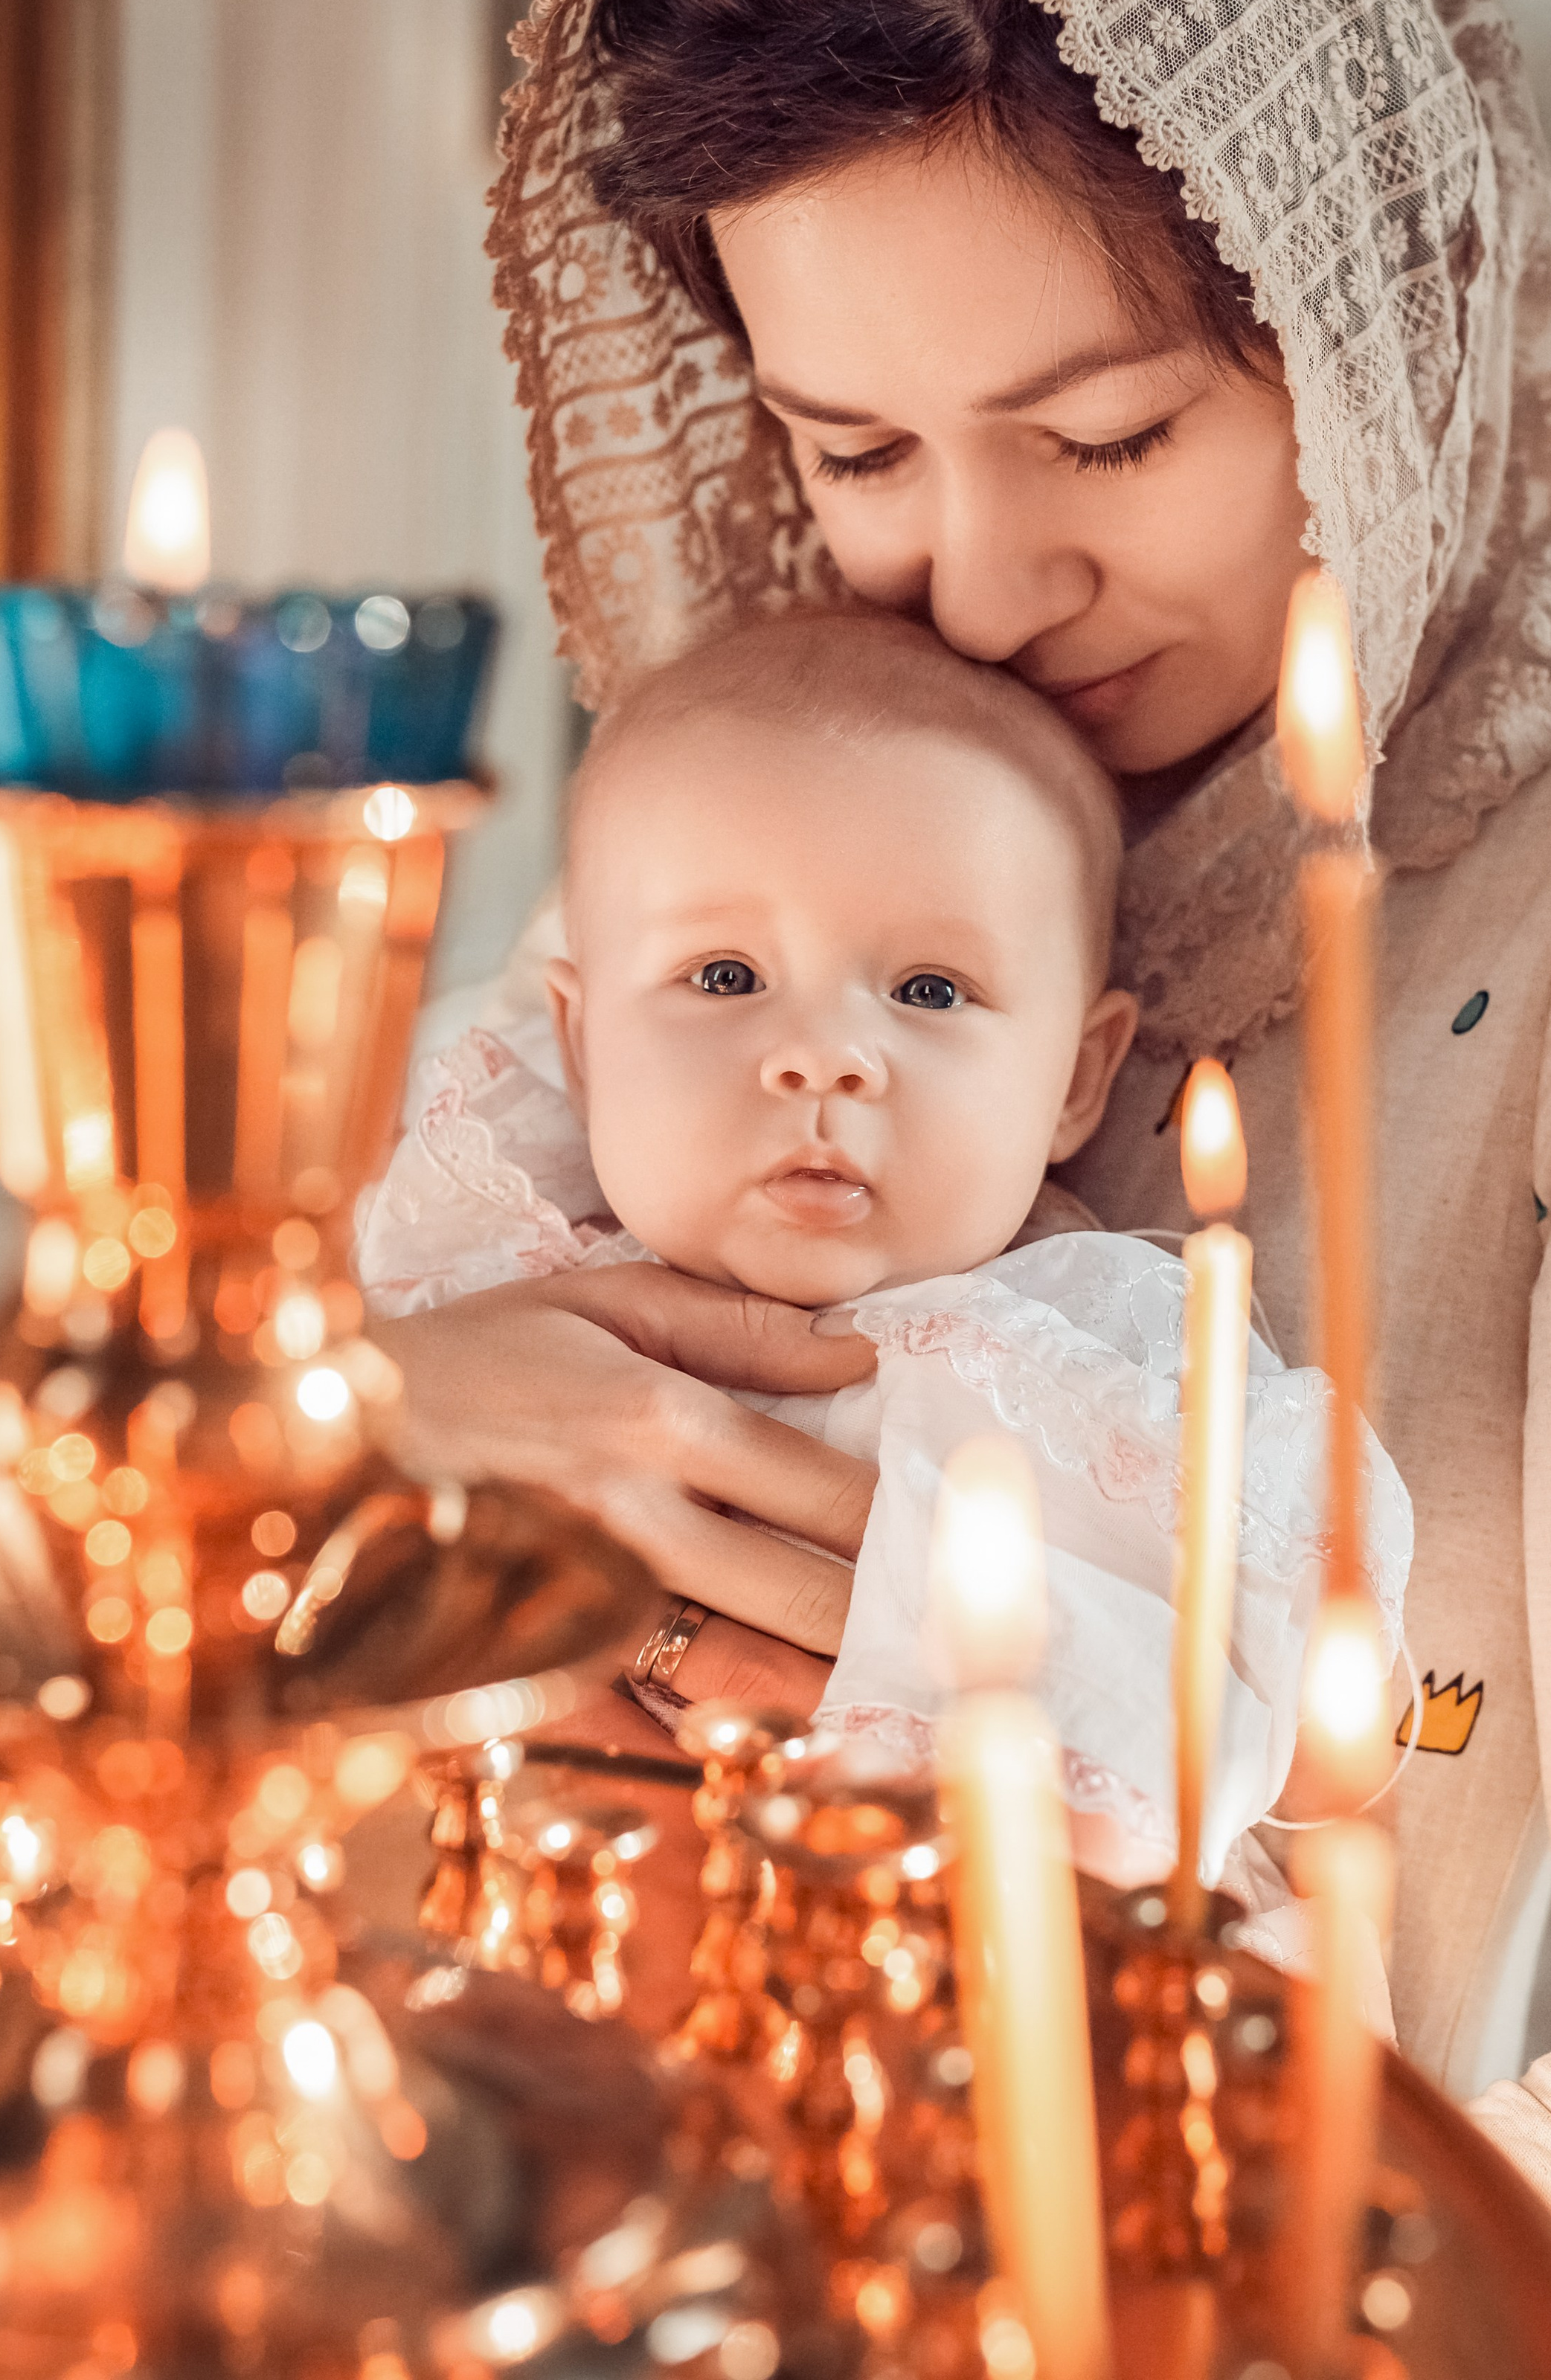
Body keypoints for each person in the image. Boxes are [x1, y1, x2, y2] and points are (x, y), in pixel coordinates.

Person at [387, 0, 1551, 2372]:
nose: (977, 588)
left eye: (1108, 438)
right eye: (856, 452)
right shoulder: (689, 930)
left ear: (1378, 327)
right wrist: (363, 1455)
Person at [359, 611, 1414, 1955]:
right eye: (725, 975)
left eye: (929, 988)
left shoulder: (1094, 1387)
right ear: (578, 1035)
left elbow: (1215, 1739)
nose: (824, 1056)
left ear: (1078, 1079)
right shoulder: (464, 1273)